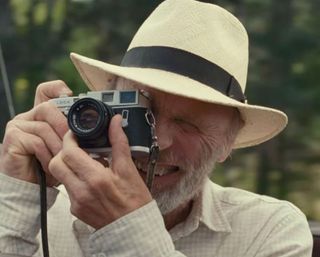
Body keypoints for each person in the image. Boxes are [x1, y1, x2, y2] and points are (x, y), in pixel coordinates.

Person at [0, 0, 313, 256]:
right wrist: (16, 198)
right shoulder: (41, 211)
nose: (159, 140)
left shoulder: (269, 231)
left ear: (228, 143)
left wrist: (128, 227)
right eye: (141, 111)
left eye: (188, 124)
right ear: (105, 104)